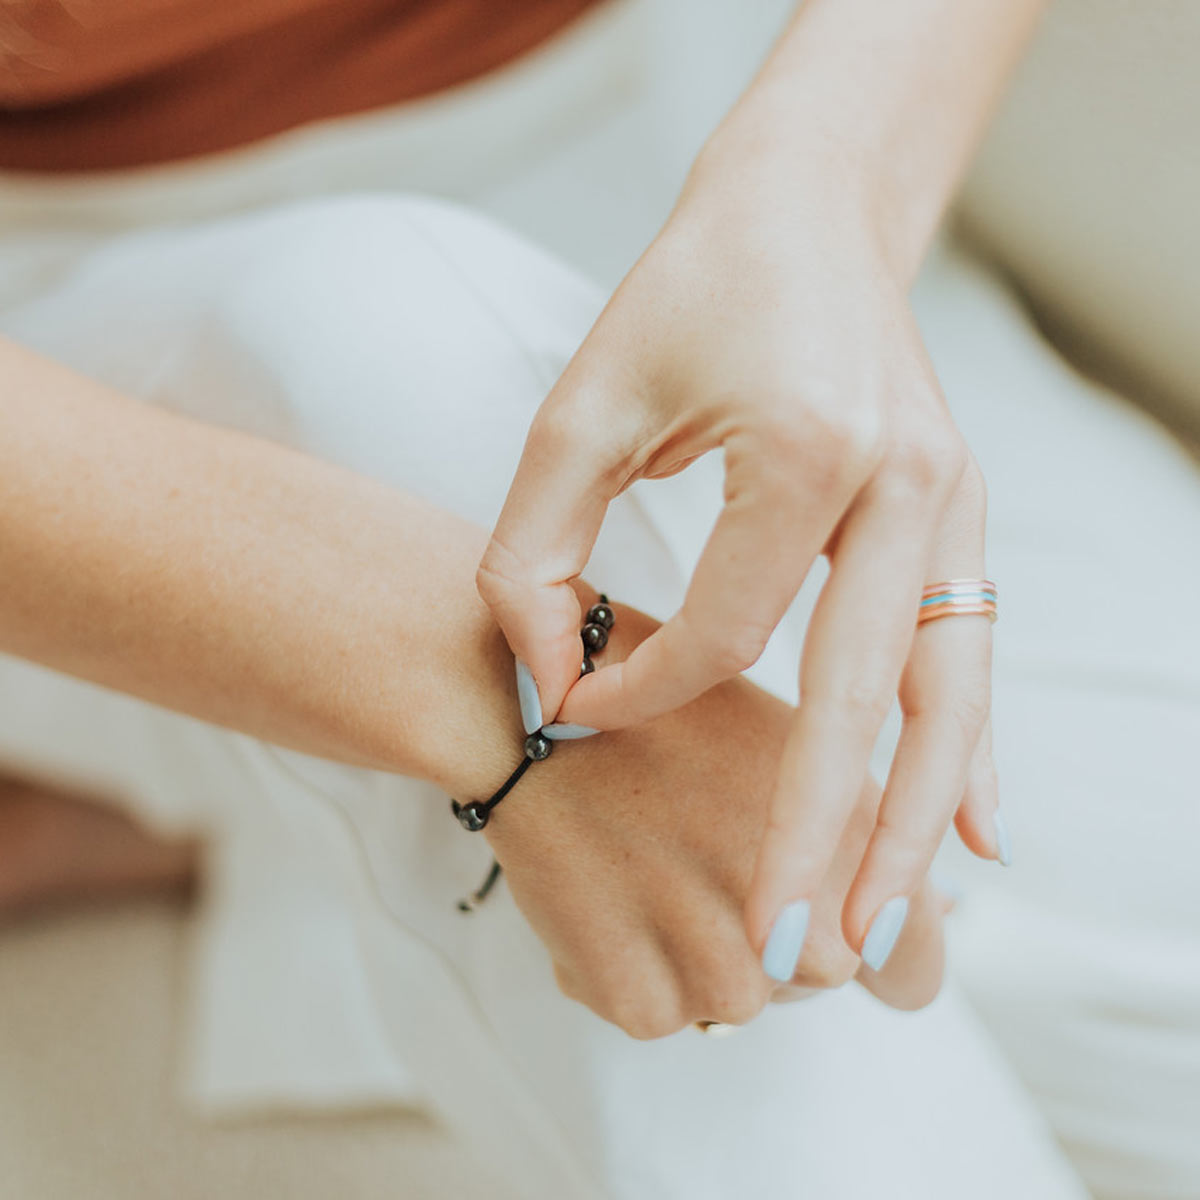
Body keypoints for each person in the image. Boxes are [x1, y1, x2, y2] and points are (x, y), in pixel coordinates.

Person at [0, 0, 1196, 1196]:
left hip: (689, 126)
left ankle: (225, 808)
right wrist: (484, 705)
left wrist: (822, 192)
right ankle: (234, 762)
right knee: (394, 359)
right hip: (59, 325)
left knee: (1136, 920)